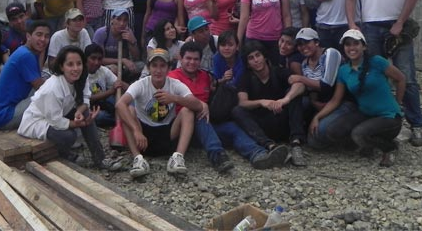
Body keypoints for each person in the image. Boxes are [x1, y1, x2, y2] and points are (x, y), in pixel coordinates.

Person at [345, 0, 422, 146]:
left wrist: (400, 22)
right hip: (369, 27)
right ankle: (385, 123)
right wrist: (352, 23)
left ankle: (416, 124)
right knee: (376, 77)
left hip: (396, 26)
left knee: (406, 78)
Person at [169, 42, 289, 172]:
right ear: (181, 59)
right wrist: (200, 105)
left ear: (200, 60)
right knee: (199, 115)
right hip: (185, 126)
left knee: (232, 127)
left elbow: (214, 90)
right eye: (188, 58)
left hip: (208, 123)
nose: (192, 62)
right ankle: (218, 156)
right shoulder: (172, 78)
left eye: (196, 59)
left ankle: (258, 154)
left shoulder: (205, 76)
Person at [17, 46, 123, 170]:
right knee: (68, 135)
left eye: (79, 64)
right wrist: (80, 123)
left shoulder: (82, 78)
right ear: (62, 67)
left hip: (60, 113)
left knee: (86, 113)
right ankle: (66, 155)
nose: (75, 68)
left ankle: (100, 158)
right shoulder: (53, 88)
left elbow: (85, 98)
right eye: (70, 64)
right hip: (39, 120)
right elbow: (56, 121)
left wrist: (80, 111)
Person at [310, 30, 406, 167]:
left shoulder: (377, 62)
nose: (352, 48)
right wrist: (318, 117)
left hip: (389, 116)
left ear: (364, 46)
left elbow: (401, 79)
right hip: (365, 114)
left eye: (356, 43)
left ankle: (389, 147)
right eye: (348, 44)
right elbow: (335, 100)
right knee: (332, 129)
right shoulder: (343, 70)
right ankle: (369, 143)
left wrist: (398, 102)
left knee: (358, 134)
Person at [116, 48, 201, 178]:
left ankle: (178, 157)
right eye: (154, 66)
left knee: (187, 110)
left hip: (168, 133)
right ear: (149, 68)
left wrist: (175, 98)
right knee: (128, 109)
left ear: (168, 69)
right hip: (143, 135)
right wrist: (136, 131)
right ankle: (137, 158)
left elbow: (197, 105)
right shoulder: (140, 84)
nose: (158, 70)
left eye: (162, 66)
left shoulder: (175, 84)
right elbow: (120, 104)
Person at [232, 40, 307, 166]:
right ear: (248, 64)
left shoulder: (278, 71)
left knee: (295, 95)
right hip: (263, 124)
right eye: (251, 58)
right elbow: (242, 102)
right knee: (237, 111)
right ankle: (270, 146)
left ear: (264, 56)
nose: (256, 60)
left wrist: (285, 99)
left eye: (258, 55)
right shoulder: (245, 78)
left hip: (283, 119)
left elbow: (300, 85)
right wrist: (262, 102)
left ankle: (296, 144)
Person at [0, 20, 50, 130]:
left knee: (51, 88)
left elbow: (38, 76)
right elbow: (40, 87)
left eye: (46, 36)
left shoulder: (28, 52)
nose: (43, 39)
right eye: (39, 35)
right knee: (52, 95)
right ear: (28, 36)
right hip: (4, 116)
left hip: (2, 111)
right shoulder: (25, 55)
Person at [237, 0, 292, 65]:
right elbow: (244, 18)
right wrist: (238, 40)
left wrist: (288, 37)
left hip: (276, 38)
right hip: (254, 37)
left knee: (276, 68)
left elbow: (286, 16)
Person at [288, 28, 341, 122]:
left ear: (316, 42)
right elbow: (311, 90)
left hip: (338, 101)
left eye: (306, 42)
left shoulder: (330, 53)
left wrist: (300, 78)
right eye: (300, 44)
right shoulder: (305, 63)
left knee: (322, 129)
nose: (303, 47)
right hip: (320, 103)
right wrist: (314, 102)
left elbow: (326, 85)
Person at [85, 44, 128, 128]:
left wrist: (122, 85)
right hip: (89, 107)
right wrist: (111, 91)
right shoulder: (81, 74)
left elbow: (120, 84)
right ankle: (123, 120)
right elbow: (89, 98)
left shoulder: (103, 70)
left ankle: (124, 117)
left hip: (105, 101)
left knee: (124, 101)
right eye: (93, 58)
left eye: (99, 59)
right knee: (100, 117)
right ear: (85, 59)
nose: (96, 62)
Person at [92, 9, 143, 82]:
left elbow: (136, 57)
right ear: (112, 20)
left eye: (125, 20)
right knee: (113, 69)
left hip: (123, 66)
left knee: (143, 66)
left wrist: (132, 42)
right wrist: (122, 60)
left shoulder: (128, 32)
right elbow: (100, 60)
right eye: (118, 19)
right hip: (105, 66)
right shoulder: (102, 33)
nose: (122, 23)